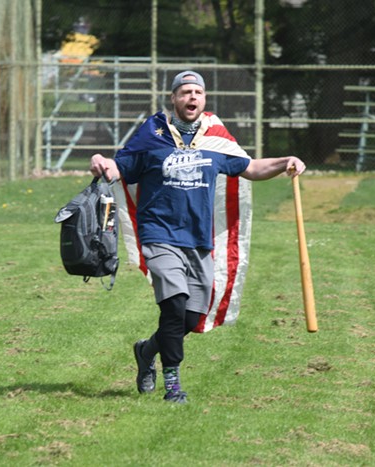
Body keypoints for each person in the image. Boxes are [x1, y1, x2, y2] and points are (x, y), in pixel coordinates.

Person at [89, 70, 306, 403]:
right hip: (159, 233)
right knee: (173, 305)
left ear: (204, 100)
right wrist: (102, 162)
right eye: (185, 92)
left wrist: (285, 161)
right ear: (174, 99)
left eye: (198, 92)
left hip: (198, 240)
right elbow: (121, 168)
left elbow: (250, 167)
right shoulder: (152, 134)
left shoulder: (215, 139)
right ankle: (173, 383)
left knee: (191, 316)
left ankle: (146, 351)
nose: (192, 97)